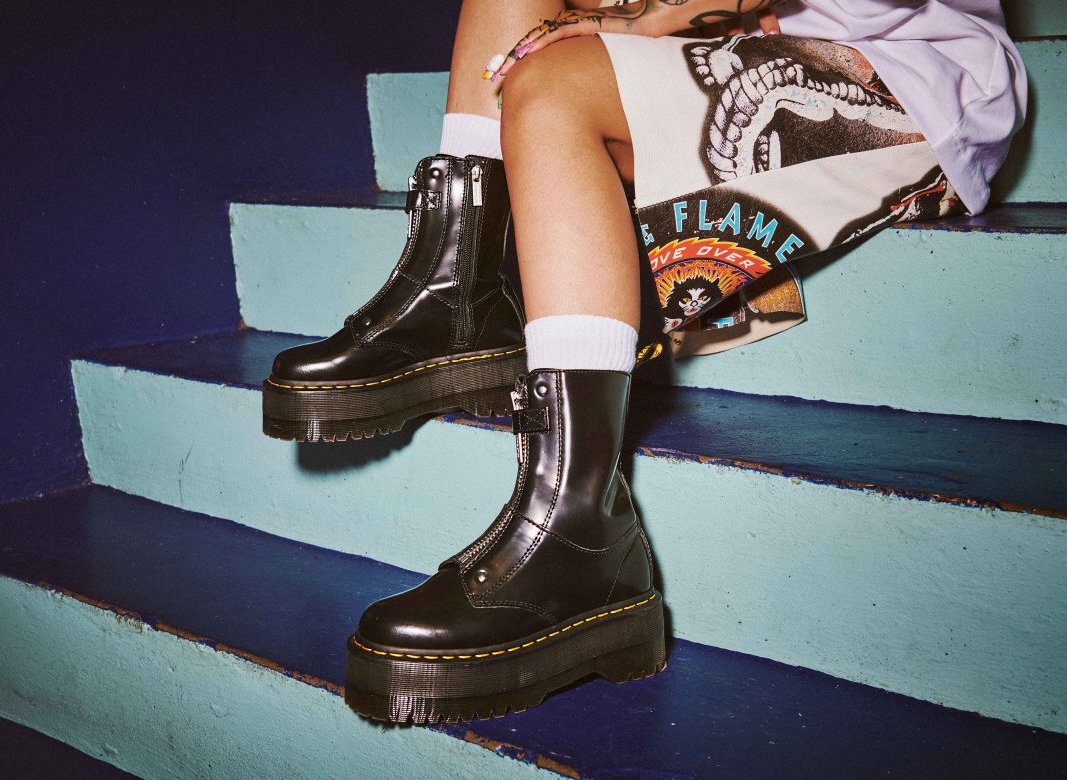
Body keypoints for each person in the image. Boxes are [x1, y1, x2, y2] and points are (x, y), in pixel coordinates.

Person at [262, 0, 1027, 724]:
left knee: (552, 86)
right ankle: (456, 289)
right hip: (749, 37)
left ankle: (580, 529)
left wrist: (647, 17)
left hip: (901, 71)